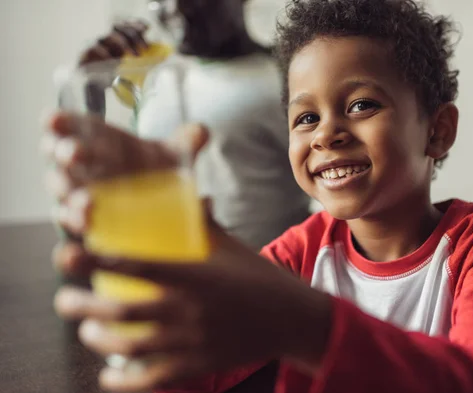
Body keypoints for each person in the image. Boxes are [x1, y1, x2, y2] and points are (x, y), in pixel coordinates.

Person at [44, 0, 473, 393]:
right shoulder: (302, 250)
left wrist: (309, 325)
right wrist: (160, 291)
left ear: (437, 132)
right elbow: (199, 377)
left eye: (360, 105)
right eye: (305, 117)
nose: (325, 133)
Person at [75, 0, 311, 250]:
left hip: (268, 275)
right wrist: (90, 93)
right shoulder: (154, 78)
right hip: (169, 269)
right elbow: (113, 182)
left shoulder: (292, 73)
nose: (174, 7)